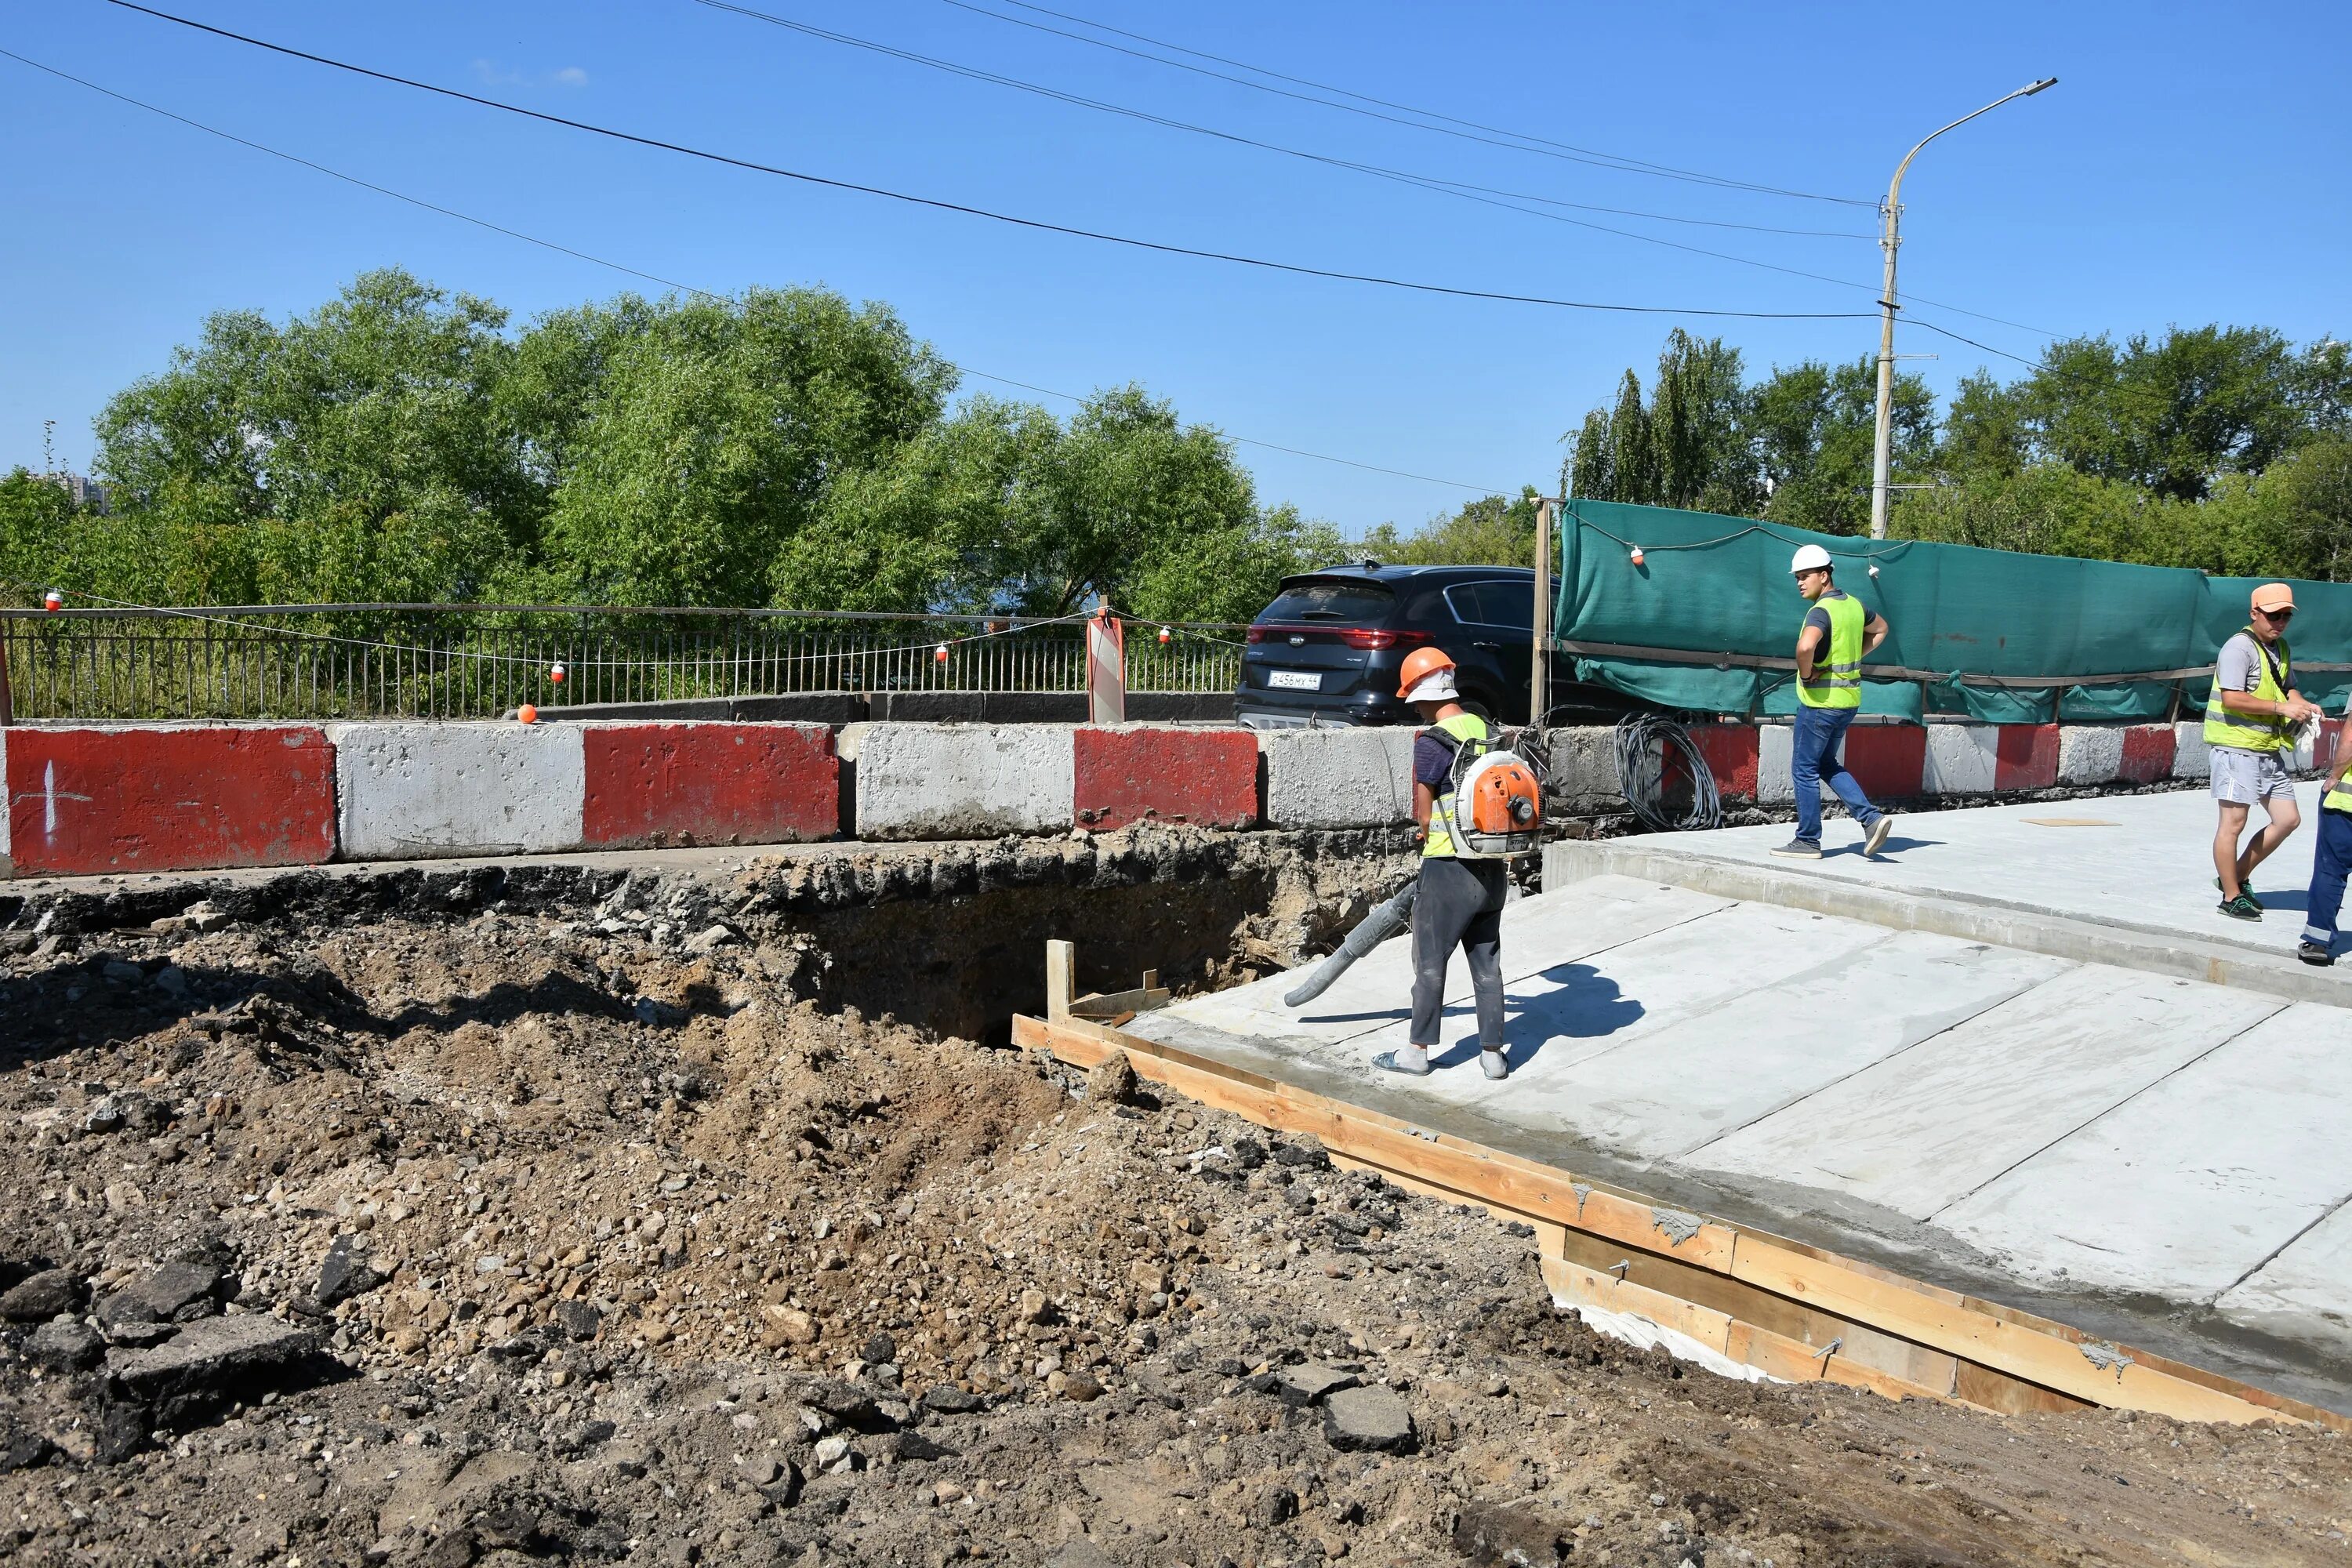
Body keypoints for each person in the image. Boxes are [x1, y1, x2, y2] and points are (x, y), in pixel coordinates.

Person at [1380, 646, 1509, 1081]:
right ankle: (1493, 1056)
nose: (1414, 708)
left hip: (1447, 866)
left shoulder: (1433, 742)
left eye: (1413, 700)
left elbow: (1424, 814)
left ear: (1423, 696)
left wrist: (1427, 830)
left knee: (1430, 962)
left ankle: (1417, 1052)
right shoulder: (1488, 730)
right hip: (1492, 865)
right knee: (1487, 964)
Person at [1771, 544, 1896, 861]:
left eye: (1805, 576)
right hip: (1847, 702)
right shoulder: (1854, 606)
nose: (1800, 583)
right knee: (1827, 764)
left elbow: (1805, 647)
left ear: (1824, 576)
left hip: (1820, 704)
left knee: (1804, 769)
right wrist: (1854, 658)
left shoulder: (1820, 611)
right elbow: (1881, 629)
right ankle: (1871, 819)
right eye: (1797, 578)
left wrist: (1808, 673)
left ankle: (1807, 840)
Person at [2206, 583, 2323, 921]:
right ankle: (2231, 897)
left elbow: (2289, 689)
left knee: (2288, 820)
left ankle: (2235, 877)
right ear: (2254, 613)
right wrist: (2281, 708)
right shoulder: (2238, 648)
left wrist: (2303, 706)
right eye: (2274, 615)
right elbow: (2232, 698)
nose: (2280, 622)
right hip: (2235, 748)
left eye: (2286, 616)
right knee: (2233, 823)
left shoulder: (2280, 647)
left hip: (2266, 749)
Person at [2299, 717, 2352, 965]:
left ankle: (2317, 941)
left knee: (2331, 870)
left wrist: (2335, 775)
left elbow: (2349, 741)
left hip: (2346, 805)